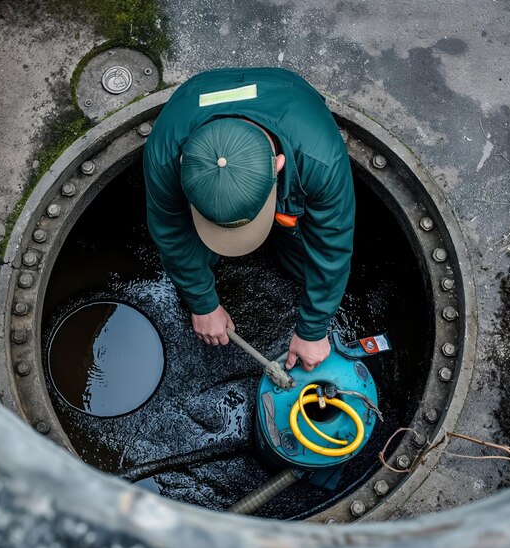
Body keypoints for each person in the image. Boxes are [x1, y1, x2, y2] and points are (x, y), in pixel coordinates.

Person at [143, 67, 354, 371]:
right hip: (192, 98)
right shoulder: (164, 154)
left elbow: (332, 244)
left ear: (279, 166)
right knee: (196, 253)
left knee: (306, 263)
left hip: (289, 95)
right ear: (182, 164)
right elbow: (172, 233)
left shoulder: (320, 158)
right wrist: (203, 303)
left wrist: (312, 330)